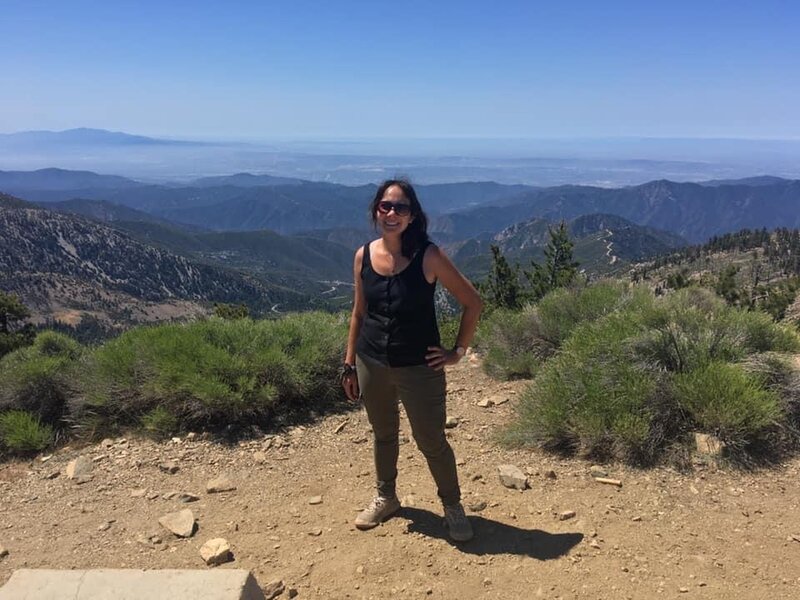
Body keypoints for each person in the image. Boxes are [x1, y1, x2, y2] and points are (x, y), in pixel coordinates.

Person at [341, 179, 483, 542]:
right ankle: (386, 497)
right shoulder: (363, 256)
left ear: (412, 215)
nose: (391, 213)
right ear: (376, 210)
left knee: (431, 438)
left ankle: (452, 505)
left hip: (420, 367)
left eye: (400, 208)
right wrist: (348, 363)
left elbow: (473, 302)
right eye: (385, 206)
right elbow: (359, 313)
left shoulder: (428, 256)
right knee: (383, 434)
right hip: (371, 361)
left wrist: (457, 352)